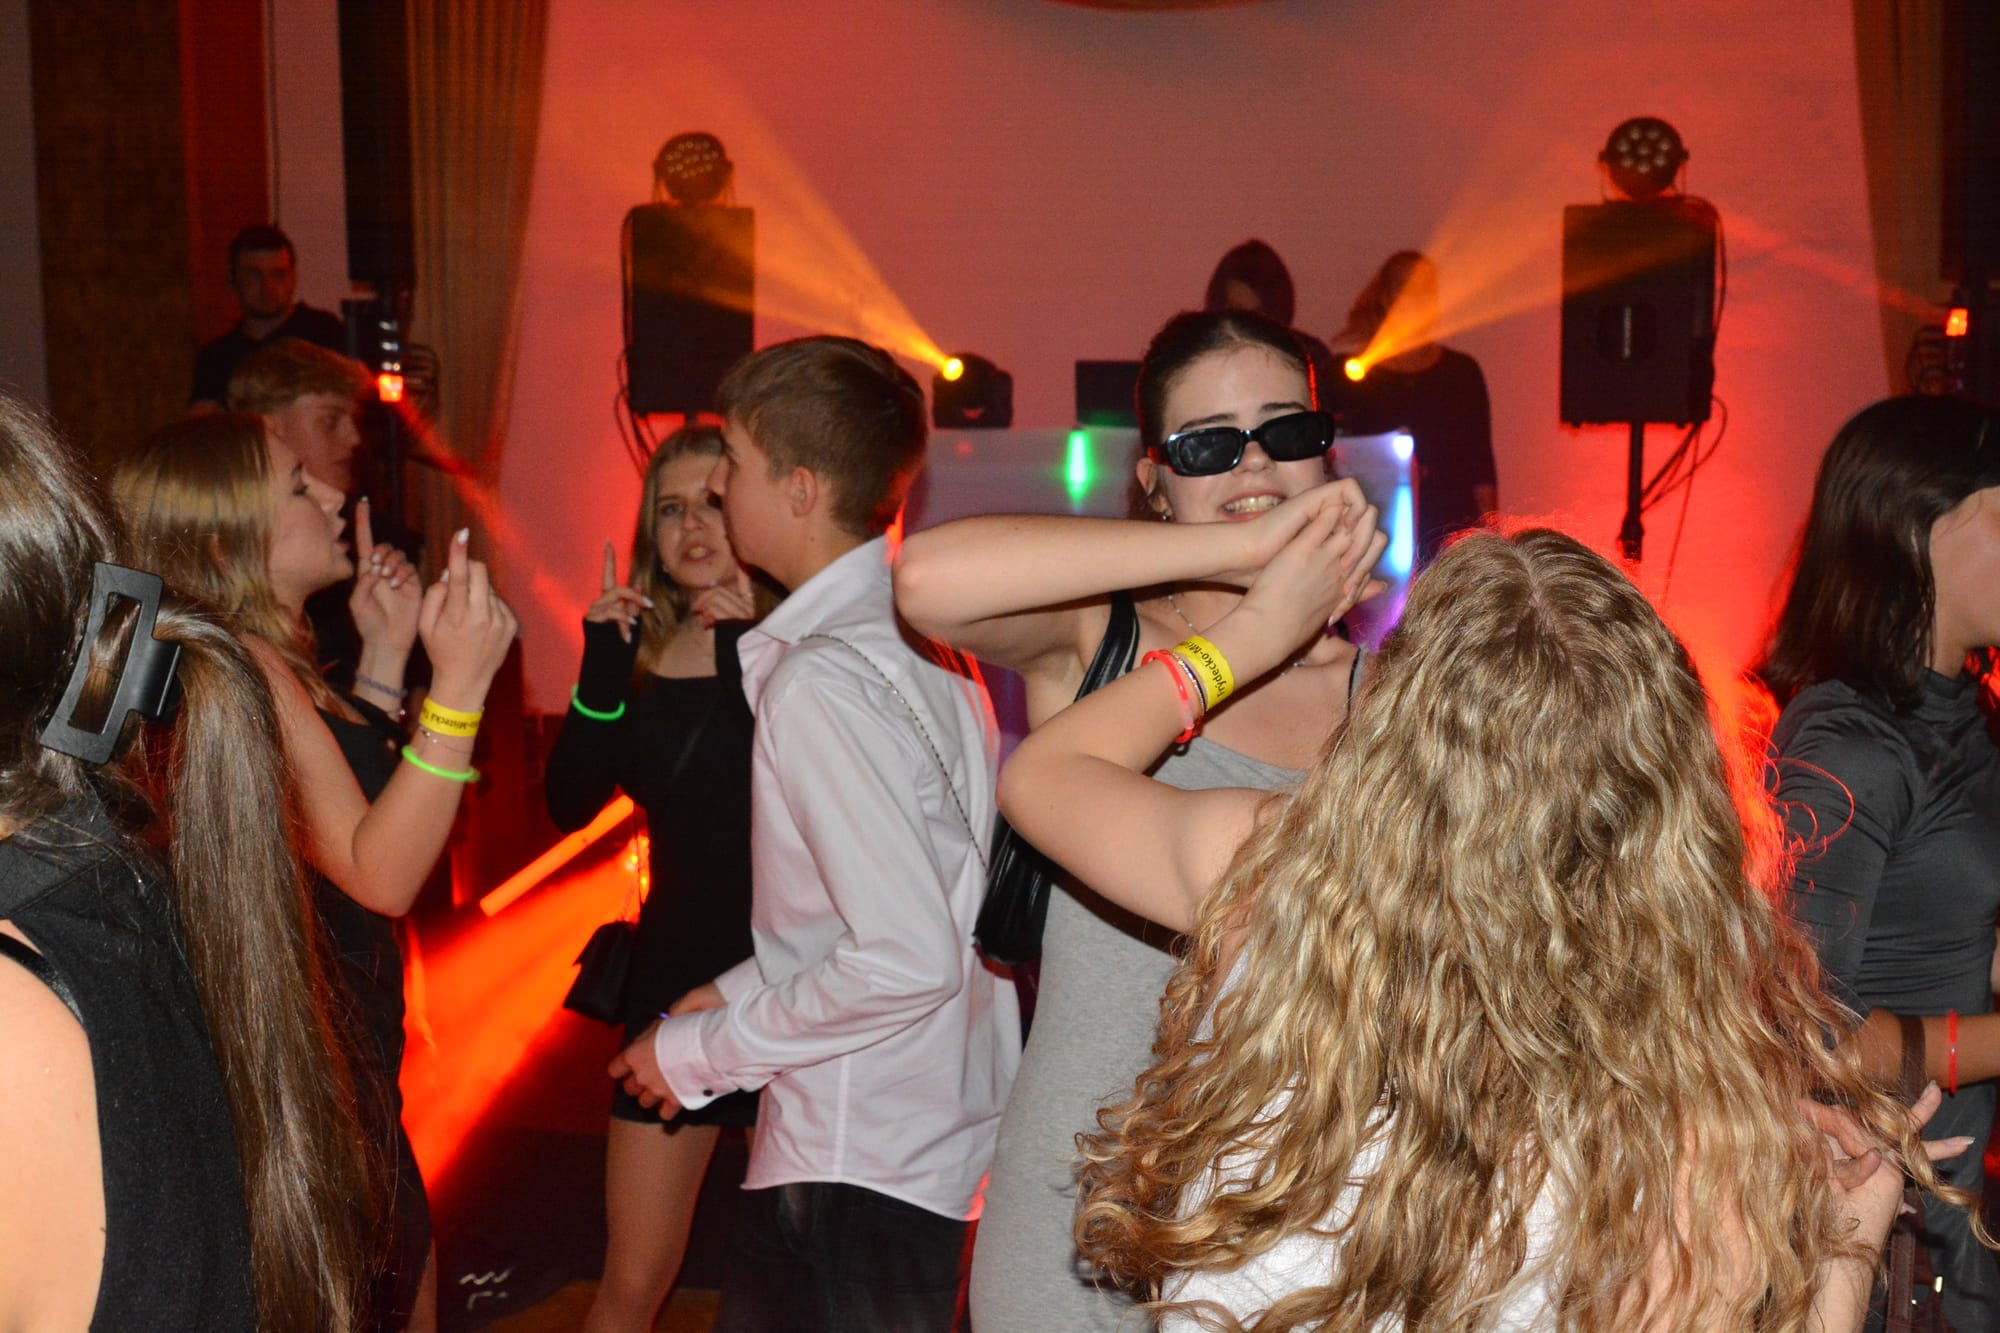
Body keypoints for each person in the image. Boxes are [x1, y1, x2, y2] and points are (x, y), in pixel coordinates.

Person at [999, 519, 1963, 1332]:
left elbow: (1044, 774)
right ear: (1669, 791)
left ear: (1394, 726)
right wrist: (1847, 1246)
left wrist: (1250, 635)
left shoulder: (1273, 871)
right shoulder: (1673, 1124)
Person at [896, 308, 1380, 1332]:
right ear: (1154, 482)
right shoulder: (1105, 639)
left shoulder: (1392, 696)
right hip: (1077, 1222)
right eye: (1208, 446)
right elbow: (926, 580)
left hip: (1294, 1230)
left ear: (1325, 451)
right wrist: (1252, 578)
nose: (1254, 461)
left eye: (1284, 431)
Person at [609, 336, 1016, 1331]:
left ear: (799, 490)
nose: (719, 489)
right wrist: (739, 986)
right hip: (919, 1138)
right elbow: (921, 899)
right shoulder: (928, 643)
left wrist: (704, 1049)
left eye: (734, 464)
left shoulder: (821, 677)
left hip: (854, 1156)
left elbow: (904, 955)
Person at [116, 412, 519, 1332]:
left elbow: (337, 809)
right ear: (226, 541)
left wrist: (384, 659)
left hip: (337, 1056)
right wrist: (459, 688)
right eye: (299, 485)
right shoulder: (244, 663)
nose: (334, 496)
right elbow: (380, 872)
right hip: (322, 1074)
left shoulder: (255, 654)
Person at [0, 392, 374, 1329]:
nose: (332, 497)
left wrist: (453, 689)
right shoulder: (100, 870)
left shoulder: (18, 1007)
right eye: (297, 487)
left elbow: (382, 870)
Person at [1763, 394, 2000, 1329]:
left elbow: (1949, 926)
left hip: (1954, 1212)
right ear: (1916, 529)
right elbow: (1806, 1032)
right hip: (1879, 1234)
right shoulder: (1849, 742)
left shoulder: (1964, 713)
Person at [547, 425, 772, 1332]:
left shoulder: (796, 638)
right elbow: (569, 802)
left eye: (713, 502)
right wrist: (603, 663)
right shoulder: (635, 650)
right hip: (674, 984)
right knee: (632, 1280)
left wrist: (745, 641)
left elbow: (783, 781)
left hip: (789, 979)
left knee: (790, 1286)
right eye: (671, 508)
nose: (692, 526)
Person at [1329, 250, 1497, 565]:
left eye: (1427, 291)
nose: (1418, 301)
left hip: (1451, 537)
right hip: (1372, 537)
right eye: (1407, 291)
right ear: (1384, 299)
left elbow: (1481, 466)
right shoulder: (1346, 378)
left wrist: (1491, 545)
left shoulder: (1461, 373)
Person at [229, 337, 378, 688]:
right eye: (330, 421)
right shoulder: (265, 547)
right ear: (270, 427)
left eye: (353, 420)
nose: (354, 438)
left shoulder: (361, 524)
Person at [193, 223, 349, 408]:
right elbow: (203, 417)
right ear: (233, 278)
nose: (267, 286)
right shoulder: (216, 359)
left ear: (293, 277)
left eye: (278, 274)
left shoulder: (324, 334)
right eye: (254, 275)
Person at [1204, 239, 1338, 396]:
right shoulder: (1201, 358)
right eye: (1236, 312)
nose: (1247, 325)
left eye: (1257, 315)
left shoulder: (1309, 357)